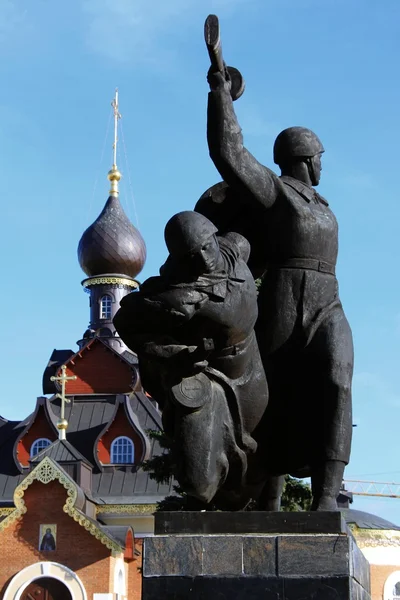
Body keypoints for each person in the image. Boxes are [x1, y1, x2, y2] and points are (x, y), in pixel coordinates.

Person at [202, 68, 354, 511]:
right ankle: (268, 497)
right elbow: (227, 150)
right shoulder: (275, 192)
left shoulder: (321, 204)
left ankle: (326, 498)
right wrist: (219, 93)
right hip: (285, 296)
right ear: (305, 158)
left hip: (328, 299)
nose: (323, 165)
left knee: (337, 378)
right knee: (276, 394)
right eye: (320, 157)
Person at [114, 211, 269, 509]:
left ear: (214, 236)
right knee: (200, 483)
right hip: (211, 379)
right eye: (191, 254)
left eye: (205, 247)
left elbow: (253, 217)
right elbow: (126, 321)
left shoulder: (234, 249)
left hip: (253, 372)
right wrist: (175, 355)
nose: (202, 258)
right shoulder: (174, 295)